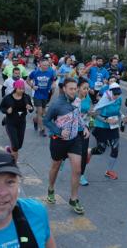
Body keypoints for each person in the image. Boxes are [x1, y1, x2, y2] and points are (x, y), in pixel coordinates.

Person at [43, 78, 88, 215]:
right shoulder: (57, 105)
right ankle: (51, 189)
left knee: (77, 169)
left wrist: (84, 127)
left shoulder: (77, 101)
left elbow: (78, 116)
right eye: (71, 89)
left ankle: (73, 199)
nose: (74, 91)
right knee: (55, 166)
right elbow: (46, 120)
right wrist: (58, 131)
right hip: (59, 141)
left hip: (75, 140)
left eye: (75, 88)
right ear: (64, 89)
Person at [89, 82, 125, 180]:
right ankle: (90, 152)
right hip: (101, 126)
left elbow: (117, 110)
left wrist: (123, 116)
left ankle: (109, 171)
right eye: (115, 94)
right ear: (110, 92)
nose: (117, 96)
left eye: (118, 94)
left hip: (113, 127)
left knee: (115, 148)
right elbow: (94, 114)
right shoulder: (104, 100)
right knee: (101, 150)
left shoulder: (119, 99)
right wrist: (106, 120)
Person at [0, 79, 34, 162]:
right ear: (15, 88)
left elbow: (31, 109)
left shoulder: (26, 97)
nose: (22, 90)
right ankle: (14, 165)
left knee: (19, 145)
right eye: (20, 88)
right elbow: (1, 107)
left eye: (23, 88)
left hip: (21, 123)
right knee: (15, 146)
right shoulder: (8, 98)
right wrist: (7, 111)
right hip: (10, 122)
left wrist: (30, 108)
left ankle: (9, 150)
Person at [28, 58, 57, 137]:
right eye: (44, 65)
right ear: (40, 64)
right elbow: (28, 80)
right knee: (40, 112)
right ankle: (42, 129)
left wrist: (53, 85)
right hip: (37, 95)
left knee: (43, 113)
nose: (45, 67)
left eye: (47, 65)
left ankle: (35, 120)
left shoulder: (51, 72)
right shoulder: (35, 72)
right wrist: (32, 86)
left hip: (45, 95)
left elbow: (54, 79)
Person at [77, 79, 94, 186]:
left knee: (83, 152)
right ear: (78, 88)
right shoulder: (73, 98)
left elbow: (88, 111)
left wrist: (91, 113)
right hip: (73, 128)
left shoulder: (88, 97)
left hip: (85, 128)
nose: (86, 90)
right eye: (84, 88)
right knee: (69, 150)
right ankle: (63, 158)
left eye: (88, 88)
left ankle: (81, 175)